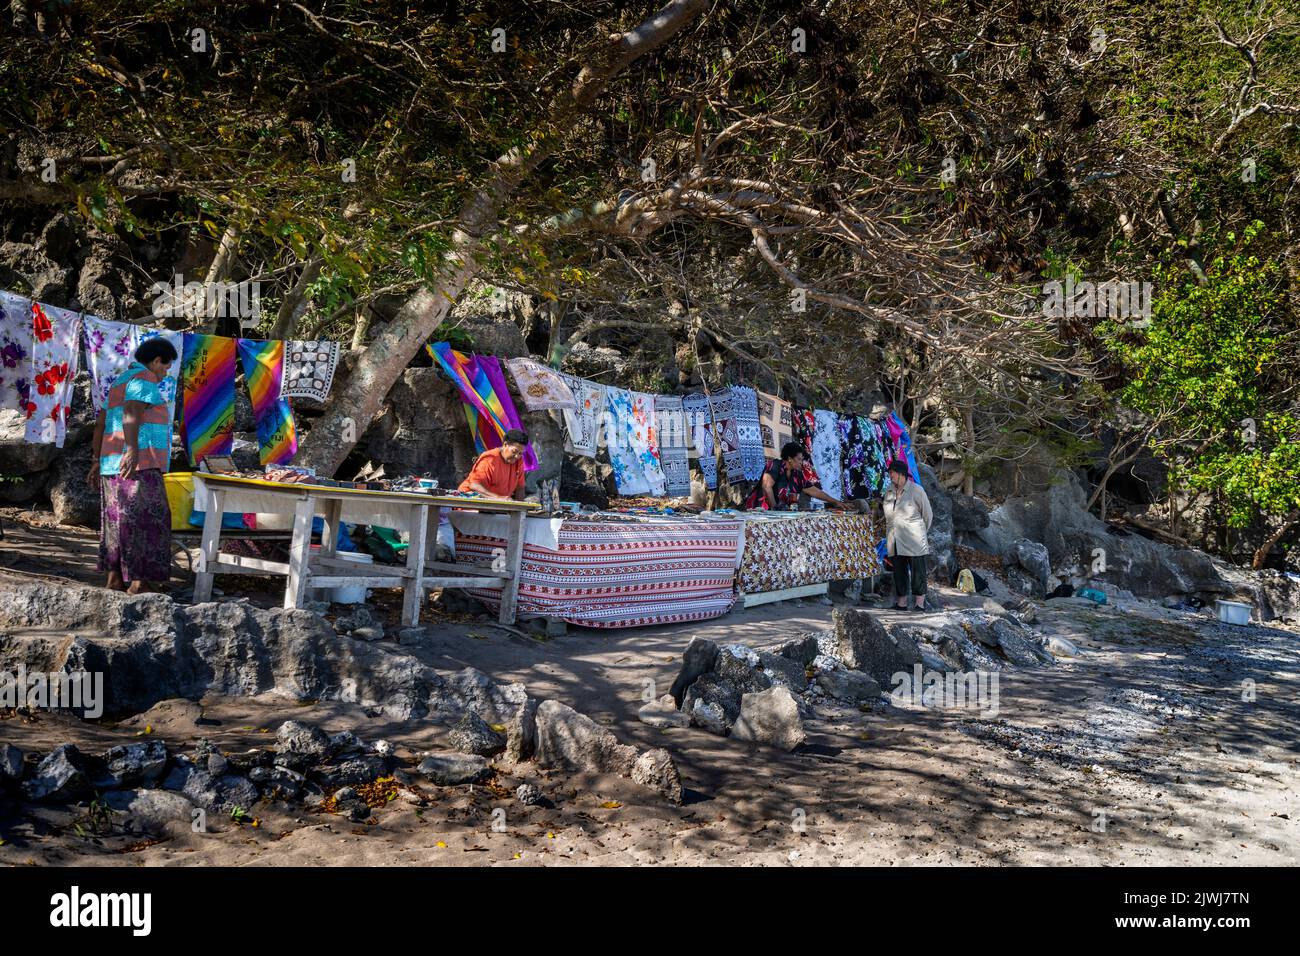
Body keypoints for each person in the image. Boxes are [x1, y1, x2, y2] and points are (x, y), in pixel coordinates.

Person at [88, 337, 178, 593]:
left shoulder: (119, 381)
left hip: (111, 464)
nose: (165, 372)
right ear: (157, 360)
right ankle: (140, 583)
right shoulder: (145, 377)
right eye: (166, 366)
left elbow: (101, 423)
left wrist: (96, 460)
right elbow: (131, 411)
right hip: (139, 464)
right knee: (150, 521)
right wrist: (131, 450)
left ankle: (114, 578)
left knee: (117, 522)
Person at [884, 458, 932, 610]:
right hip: (895, 538)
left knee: (918, 572)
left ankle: (919, 604)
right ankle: (901, 603)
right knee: (899, 571)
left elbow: (928, 515)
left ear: (901, 474)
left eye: (892, 473)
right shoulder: (889, 491)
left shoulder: (917, 491)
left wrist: (920, 532)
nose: (890, 476)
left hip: (914, 539)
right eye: (890, 473)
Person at [744, 441, 848, 511]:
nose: (801, 462)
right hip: (759, 511)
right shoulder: (775, 465)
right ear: (789, 458)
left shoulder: (797, 474)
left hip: (778, 513)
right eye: (799, 459)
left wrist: (835, 502)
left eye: (802, 459)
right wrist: (775, 509)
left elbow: (813, 490)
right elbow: (767, 487)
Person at [457, 428, 528, 500]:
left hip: (496, 504)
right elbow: (474, 485)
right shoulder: (489, 459)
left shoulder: (519, 461)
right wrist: (498, 498)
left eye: (520, 453)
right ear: (505, 444)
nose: (517, 456)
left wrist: (520, 507)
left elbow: (520, 487)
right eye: (514, 451)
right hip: (469, 499)